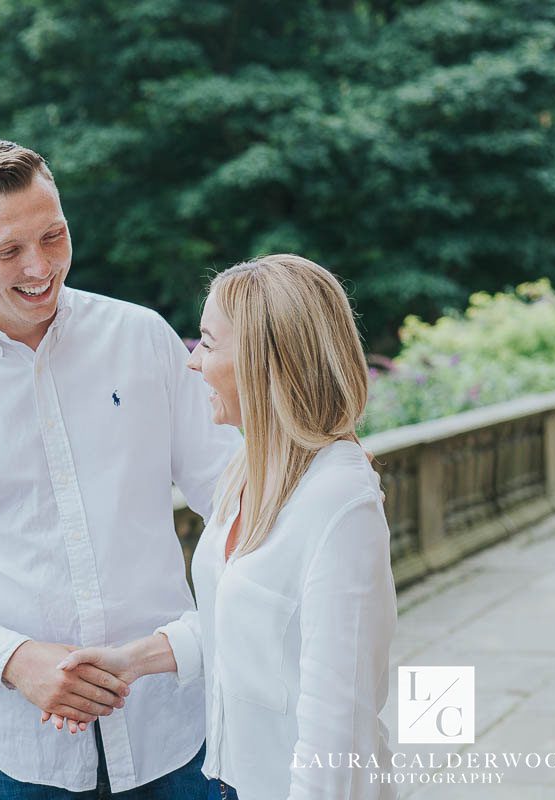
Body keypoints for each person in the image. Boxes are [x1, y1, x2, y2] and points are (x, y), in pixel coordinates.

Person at [0, 139, 241, 797]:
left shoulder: (142, 337)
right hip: (14, 753)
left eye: (54, 236)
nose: (39, 267)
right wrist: (13, 661)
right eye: (7, 251)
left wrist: (317, 472)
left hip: (176, 730)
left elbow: (234, 495)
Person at [57, 255, 398, 799]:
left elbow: (339, 718)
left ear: (266, 362)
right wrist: (133, 661)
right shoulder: (247, 471)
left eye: (208, 344)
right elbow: (243, 619)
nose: (193, 364)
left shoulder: (340, 500)